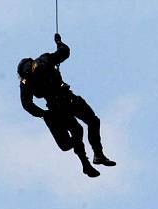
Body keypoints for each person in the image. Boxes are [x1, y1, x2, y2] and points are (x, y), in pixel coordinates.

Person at [18, 34, 116, 178]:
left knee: (77, 131)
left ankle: (86, 164)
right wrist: (59, 42)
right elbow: (65, 52)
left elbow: (27, 105)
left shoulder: (25, 82)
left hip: (56, 108)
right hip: (68, 99)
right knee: (92, 121)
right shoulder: (43, 60)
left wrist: (43, 113)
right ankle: (97, 154)